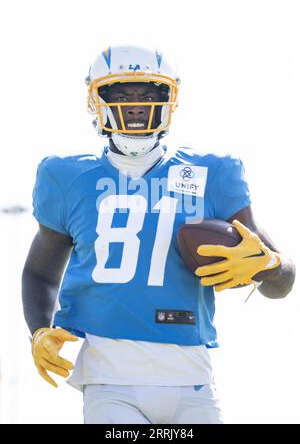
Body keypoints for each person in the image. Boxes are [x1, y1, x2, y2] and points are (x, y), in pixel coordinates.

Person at [22, 45, 295, 424]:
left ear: (170, 99)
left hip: (194, 379)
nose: (135, 105)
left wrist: (269, 264)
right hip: (108, 380)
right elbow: (40, 272)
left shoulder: (212, 173)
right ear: (95, 99)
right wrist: (38, 330)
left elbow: (282, 283)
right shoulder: (66, 177)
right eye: (120, 93)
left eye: (150, 93)